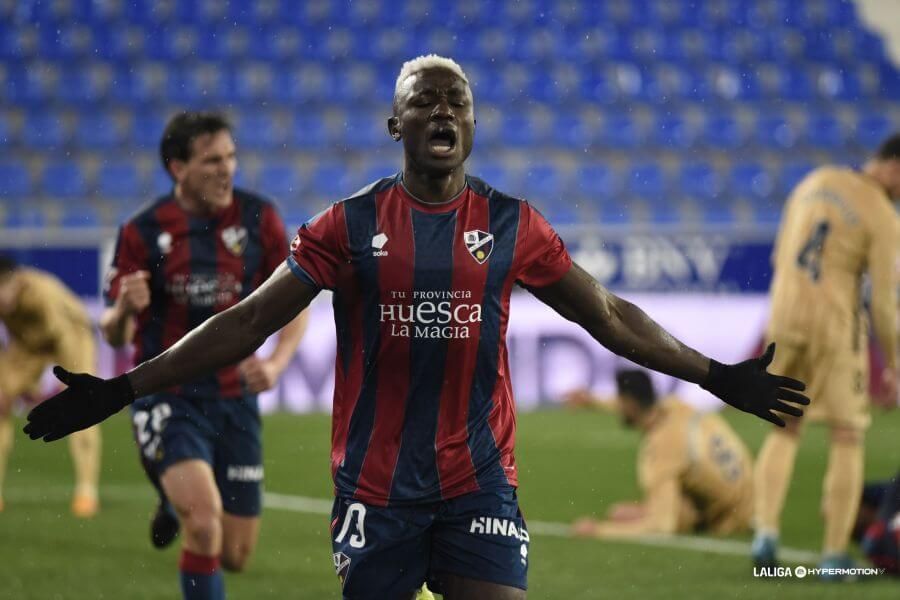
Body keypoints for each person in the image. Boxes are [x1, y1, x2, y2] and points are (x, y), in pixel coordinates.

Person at [25, 56, 809, 600]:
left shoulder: (512, 224)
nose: (442, 111)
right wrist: (122, 387)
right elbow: (250, 319)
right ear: (394, 123)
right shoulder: (347, 224)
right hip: (376, 491)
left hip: (479, 483)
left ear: (472, 124)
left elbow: (606, 315)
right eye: (424, 101)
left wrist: (716, 375)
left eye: (456, 101)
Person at [97, 112, 308, 600]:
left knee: (234, 554)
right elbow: (113, 334)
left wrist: (276, 362)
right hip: (167, 393)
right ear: (178, 168)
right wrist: (124, 309)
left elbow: (295, 301)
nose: (226, 169)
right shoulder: (144, 231)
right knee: (205, 525)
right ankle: (183, 501)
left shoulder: (260, 218)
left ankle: (173, 503)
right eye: (212, 160)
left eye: (231, 157)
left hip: (235, 401)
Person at [751, 134, 900, 576]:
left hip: (783, 314)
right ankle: (833, 554)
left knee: (783, 425)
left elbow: (781, 255)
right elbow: (884, 304)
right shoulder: (881, 214)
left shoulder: (812, 182)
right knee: (847, 435)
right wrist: (894, 362)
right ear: (894, 167)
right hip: (835, 323)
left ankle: (765, 532)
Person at [570, 370, 754, 539]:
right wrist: (592, 401)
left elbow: (661, 527)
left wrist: (598, 531)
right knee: (625, 512)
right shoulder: (677, 406)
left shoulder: (662, 450)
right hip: (750, 496)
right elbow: (630, 404)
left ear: (630, 404)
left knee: (622, 515)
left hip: (732, 520)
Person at [0, 256, 101, 517]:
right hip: (28, 342)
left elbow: (61, 337)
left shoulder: (41, 293)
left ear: (17, 281)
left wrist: (58, 387)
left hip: (71, 334)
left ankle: (86, 492)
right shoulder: (8, 299)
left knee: (83, 406)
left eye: (3, 287)